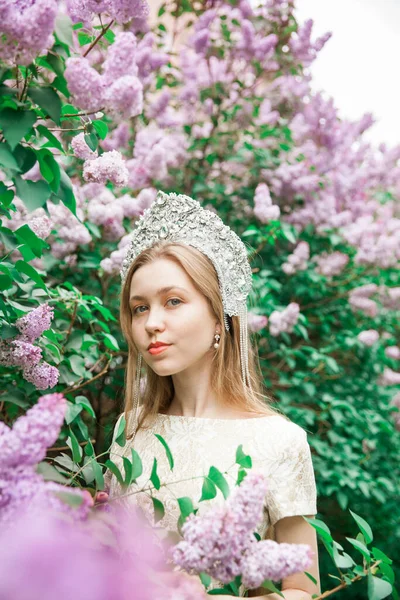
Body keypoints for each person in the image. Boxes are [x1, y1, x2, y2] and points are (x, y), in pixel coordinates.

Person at [103, 190, 320, 599]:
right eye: (139, 307)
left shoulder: (279, 441)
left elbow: (303, 590)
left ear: (219, 317)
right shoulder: (129, 429)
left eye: (173, 301)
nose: (152, 323)